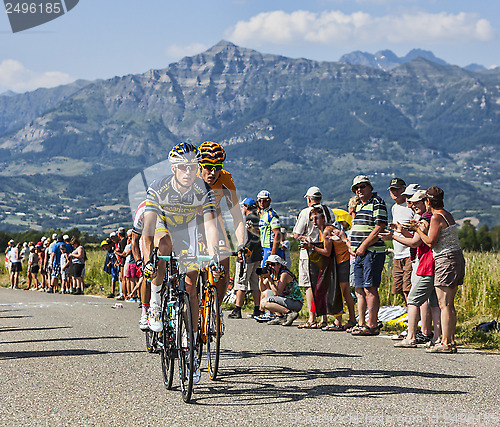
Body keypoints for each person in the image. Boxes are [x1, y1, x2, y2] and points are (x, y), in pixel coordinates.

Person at [142, 142, 221, 384]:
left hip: (188, 233)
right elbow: (147, 231)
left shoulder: (203, 189)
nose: (189, 173)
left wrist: (214, 255)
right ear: (174, 168)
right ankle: (156, 301)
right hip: (163, 228)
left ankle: (192, 345)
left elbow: (209, 225)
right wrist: (147, 261)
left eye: (193, 168)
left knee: (191, 285)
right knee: (164, 242)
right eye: (183, 168)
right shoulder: (159, 187)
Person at [380, 190, 441, 348]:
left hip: (426, 264)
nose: (412, 205)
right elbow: (418, 240)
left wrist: (393, 236)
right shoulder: (432, 218)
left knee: (413, 300)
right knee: (434, 303)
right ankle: (437, 338)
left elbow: (415, 243)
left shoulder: (425, 219)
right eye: (411, 202)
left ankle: (411, 336)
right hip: (436, 263)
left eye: (416, 202)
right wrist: (402, 231)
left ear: (426, 202)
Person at [410, 186, 465, 353]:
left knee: (444, 304)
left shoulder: (435, 217)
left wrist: (417, 229)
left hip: (445, 260)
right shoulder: (447, 214)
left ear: (428, 201)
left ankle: (445, 343)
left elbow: (430, 242)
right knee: (449, 304)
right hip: (455, 258)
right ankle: (450, 340)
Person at [197, 141, 246, 309]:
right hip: (192, 221)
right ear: (199, 165)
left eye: (217, 167)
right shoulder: (190, 178)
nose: (212, 172)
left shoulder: (225, 178)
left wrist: (240, 245)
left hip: (214, 221)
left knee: (224, 265)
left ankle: (215, 309)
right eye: (207, 167)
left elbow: (237, 216)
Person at [349, 175, 387, 336]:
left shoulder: (377, 203)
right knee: (359, 289)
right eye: (356, 188)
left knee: (370, 287)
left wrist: (364, 245)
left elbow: (379, 227)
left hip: (372, 252)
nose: (359, 190)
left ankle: (372, 324)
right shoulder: (359, 206)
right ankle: (362, 322)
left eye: (362, 186)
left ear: (370, 187)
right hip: (359, 253)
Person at [293, 186, 334, 329]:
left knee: (309, 285)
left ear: (309, 199)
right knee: (322, 284)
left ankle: (312, 318)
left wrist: (305, 239)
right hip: (325, 250)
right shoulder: (328, 211)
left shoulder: (306, 212)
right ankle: (324, 318)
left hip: (308, 253)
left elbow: (297, 233)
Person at [299, 206, 346, 330]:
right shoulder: (323, 230)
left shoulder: (326, 231)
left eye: (316, 218)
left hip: (342, 261)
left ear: (323, 218)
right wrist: (311, 244)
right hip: (339, 261)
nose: (313, 221)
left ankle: (339, 321)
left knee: (336, 291)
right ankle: (332, 320)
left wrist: (311, 247)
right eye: (311, 219)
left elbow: (326, 252)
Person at [229, 198, 263, 319]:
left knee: (241, 282)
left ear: (247, 206)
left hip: (247, 254)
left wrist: (242, 251)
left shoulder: (248, 219)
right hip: (257, 255)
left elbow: (247, 237)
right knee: (255, 283)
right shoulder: (258, 218)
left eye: (243, 206)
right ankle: (257, 309)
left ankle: (237, 309)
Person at [388, 178, 414, 304]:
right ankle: (411, 315)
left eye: (398, 189)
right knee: (400, 289)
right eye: (392, 190)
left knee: (408, 288)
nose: (395, 192)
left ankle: (415, 318)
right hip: (398, 254)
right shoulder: (394, 208)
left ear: (404, 189)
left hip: (410, 253)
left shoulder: (411, 207)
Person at [259, 255, 303, 326]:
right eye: (268, 264)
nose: (270, 267)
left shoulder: (284, 274)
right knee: (265, 293)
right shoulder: (273, 275)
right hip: (285, 299)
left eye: (272, 264)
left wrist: (270, 279)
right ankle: (280, 317)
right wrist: (261, 278)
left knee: (264, 302)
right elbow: (262, 289)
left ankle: (290, 313)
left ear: (279, 265)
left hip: (295, 302)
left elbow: (277, 292)